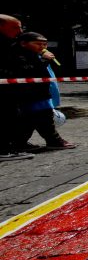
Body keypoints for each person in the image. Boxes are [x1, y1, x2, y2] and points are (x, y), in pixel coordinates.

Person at [10, 32, 74, 151]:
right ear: (23, 44)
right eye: (38, 44)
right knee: (39, 118)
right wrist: (44, 61)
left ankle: (19, 142)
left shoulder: (36, 55)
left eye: (45, 44)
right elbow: (29, 72)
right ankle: (53, 140)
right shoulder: (20, 57)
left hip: (41, 93)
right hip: (30, 94)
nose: (42, 47)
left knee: (36, 119)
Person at [0, 14, 33, 160]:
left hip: (11, 89)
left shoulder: (11, 42)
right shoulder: (6, 45)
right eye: (15, 27)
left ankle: (11, 145)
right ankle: (4, 150)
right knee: (6, 116)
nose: (19, 31)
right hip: (4, 90)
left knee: (13, 115)